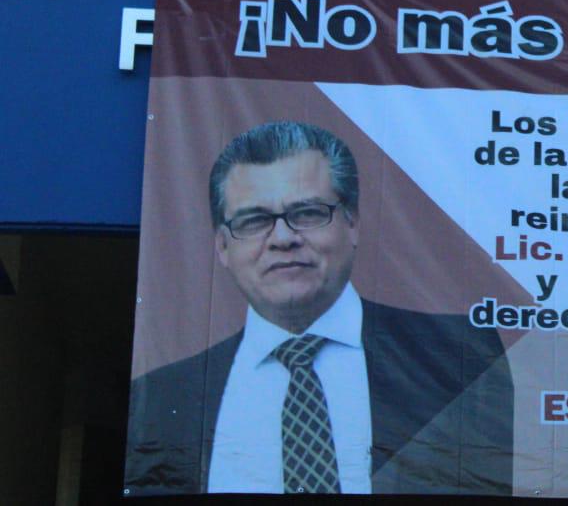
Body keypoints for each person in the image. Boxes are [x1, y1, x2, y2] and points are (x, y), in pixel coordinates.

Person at [124, 121, 512, 495]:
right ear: (222, 247)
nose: (282, 238)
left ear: (353, 222)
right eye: (254, 220)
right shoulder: (163, 396)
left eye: (307, 213)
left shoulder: (458, 358)